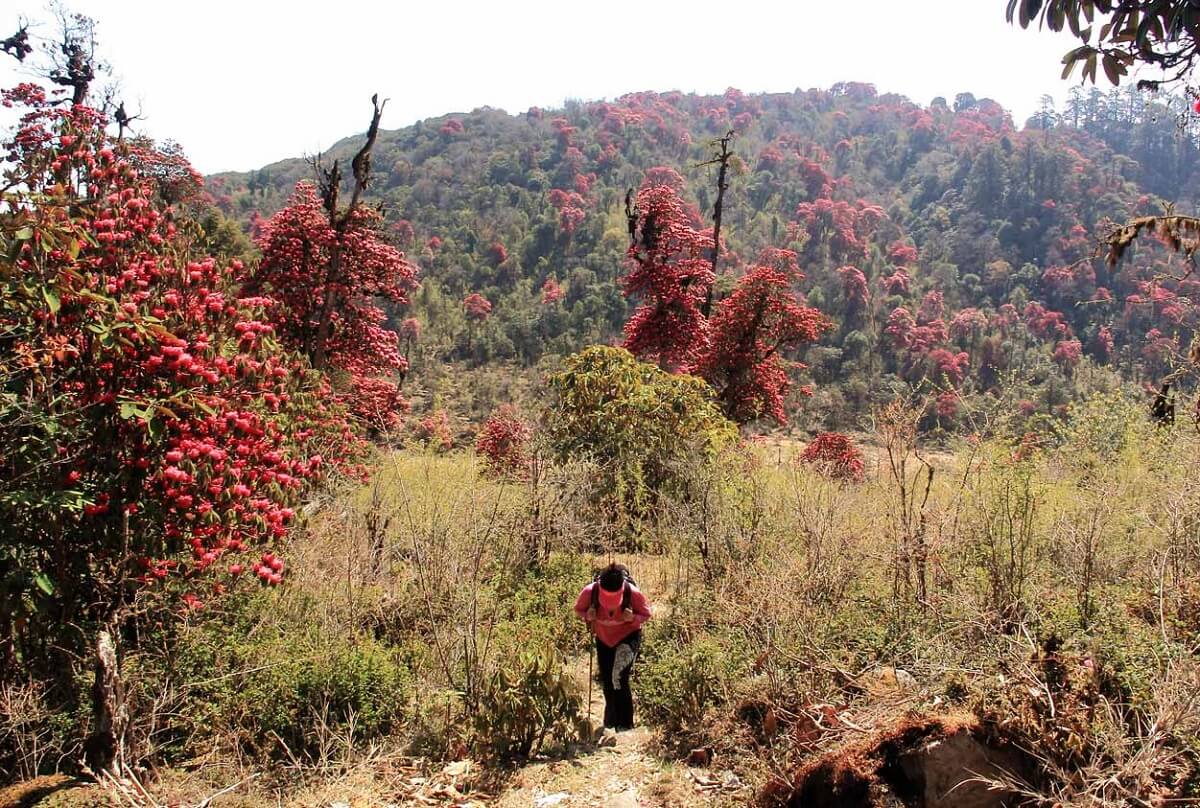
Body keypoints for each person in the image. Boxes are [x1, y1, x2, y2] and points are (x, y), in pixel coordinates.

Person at [573, 563, 652, 731]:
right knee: (608, 679)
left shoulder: (632, 593)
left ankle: (626, 724)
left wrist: (632, 618)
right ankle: (610, 721)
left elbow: (646, 614)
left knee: (619, 676)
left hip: (628, 637)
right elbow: (578, 609)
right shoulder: (590, 592)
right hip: (604, 638)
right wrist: (587, 615)